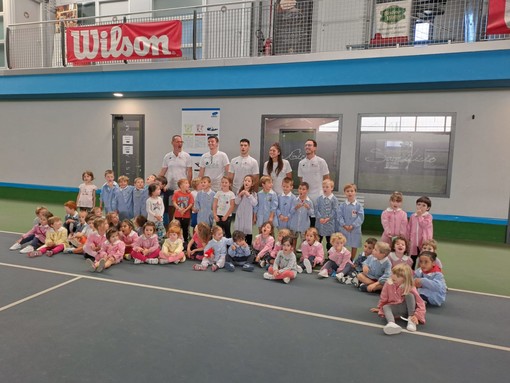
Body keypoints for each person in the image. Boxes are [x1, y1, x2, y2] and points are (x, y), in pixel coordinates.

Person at [372, 263, 426, 335]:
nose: (394, 276)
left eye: (398, 276)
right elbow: (383, 297)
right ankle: (391, 323)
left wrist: (417, 315)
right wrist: (379, 307)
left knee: (409, 295)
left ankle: (411, 320)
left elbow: (420, 303)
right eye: (393, 273)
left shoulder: (410, 287)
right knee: (385, 307)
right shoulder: (388, 284)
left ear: (405, 279)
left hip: (409, 308)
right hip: (397, 308)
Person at [159, 135, 193, 223]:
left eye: (181, 142)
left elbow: (189, 172)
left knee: (184, 209)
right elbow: (163, 171)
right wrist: (157, 183)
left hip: (182, 188)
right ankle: (170, 227)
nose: (180, 144)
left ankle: (184, 230)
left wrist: (188, 186)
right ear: (172, 143)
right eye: (178, 142)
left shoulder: (186, 156)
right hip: (170, 187)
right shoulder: (167, 156)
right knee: (170, 209)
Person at [297, 139, 330, 225]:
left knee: (316, 221)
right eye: (306, 145)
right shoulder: (301, 163)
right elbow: (301, 179)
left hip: (318, 195)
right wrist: (303, 193)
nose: (307, 147)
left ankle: (316, 238)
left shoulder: (321, 161)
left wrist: (326, 194)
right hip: (306, 196)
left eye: (309, 145)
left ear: (315, 148)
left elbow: (327, 179)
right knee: (306, 220)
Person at [337, 183, 364, 259]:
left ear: (355, 192)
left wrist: (353, 225)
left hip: (355, 229)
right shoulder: (342, 205)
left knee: (354, 244)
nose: (350, 193)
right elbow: (339, 216)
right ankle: (342, 258)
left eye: (352, 191)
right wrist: (344, 225)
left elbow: (360, 217)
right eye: (347, 191)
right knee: (342, 243)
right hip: (344, 228)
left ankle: (351, 259)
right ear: (345, 192)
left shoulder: (359, 206)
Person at [408, 196, 433, 269]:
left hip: (424, 242)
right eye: (419, 204)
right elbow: (409, 227)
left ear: (428, 208)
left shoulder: (429, 216)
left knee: (423, 258)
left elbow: (424, 225)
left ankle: (422, 272)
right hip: (414, 242)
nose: (420, 207)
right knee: (412, 258)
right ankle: (411, 272)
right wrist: (409, 239)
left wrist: (419, 216)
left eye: (423, 205)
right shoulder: (413, 216)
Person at [234, 175, 258, 245]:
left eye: (249, 181)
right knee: (238, 231)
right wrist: (240, 195)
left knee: (248, 231)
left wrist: (249, 195)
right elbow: (236, 202)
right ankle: (237, 245)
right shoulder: (239, 191)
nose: (246, 182)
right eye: (245, 180)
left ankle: (248, 246)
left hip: (248, 215)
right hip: (240, 214)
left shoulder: (253, 193)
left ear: (252, 183)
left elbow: (255, 203)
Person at [315, 179, 339, 250]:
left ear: (331, 188)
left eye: (327, 187)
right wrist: (320, 218)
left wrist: (329, 218)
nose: (325, 188)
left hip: (330, 224)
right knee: (318, 241)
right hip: (320, 224)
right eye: (323, 187)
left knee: (330, 242)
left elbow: (335, 211)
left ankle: (330, 257)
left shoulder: (334, 199)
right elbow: (316, 209)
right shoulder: (319, 199)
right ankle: (318, 255)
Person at [289, 182, 313, 252]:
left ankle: (304, 255)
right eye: (300, 189)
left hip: (304, 225)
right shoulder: (294, 200)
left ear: (307, 190)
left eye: (303, 189)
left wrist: (308, 208)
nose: (301, 191)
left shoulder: (309, 202)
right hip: (294, 225)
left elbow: (311, 214)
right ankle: (293, 254)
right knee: (293, 240)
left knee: (304, 241)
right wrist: (296, 207)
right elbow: (291, 211)